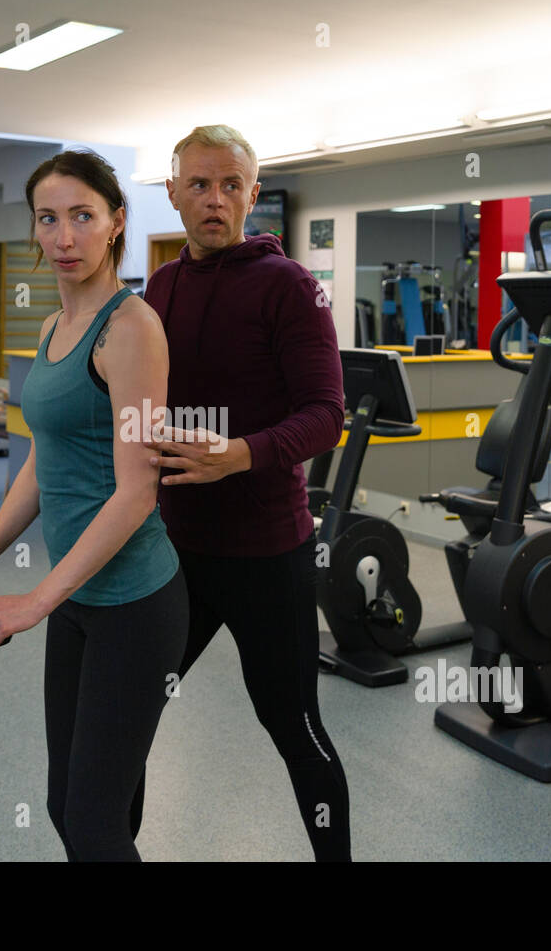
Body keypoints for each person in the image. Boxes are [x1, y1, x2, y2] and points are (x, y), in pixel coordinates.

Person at [0, 150, 188, 862]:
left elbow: (136, 491)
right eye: (48, 219)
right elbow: (44, 464)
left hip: (134, 606)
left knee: (92, 825)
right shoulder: (50, 329)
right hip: (79, 601)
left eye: (82, 217)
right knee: (73, 806)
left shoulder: (131, 330)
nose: (65, 237)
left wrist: (32, 601)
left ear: (116, 223)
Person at [139, 125, 351, 861]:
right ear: (172, 192)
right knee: (130, 717)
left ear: (253, 196)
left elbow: (327, 416)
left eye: (232, 185)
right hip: (174, 553)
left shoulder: (290, 287)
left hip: (267, 555)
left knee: (294, 727)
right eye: (199, 184)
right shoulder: (160, 288)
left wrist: (242, 455)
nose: (215, 200)